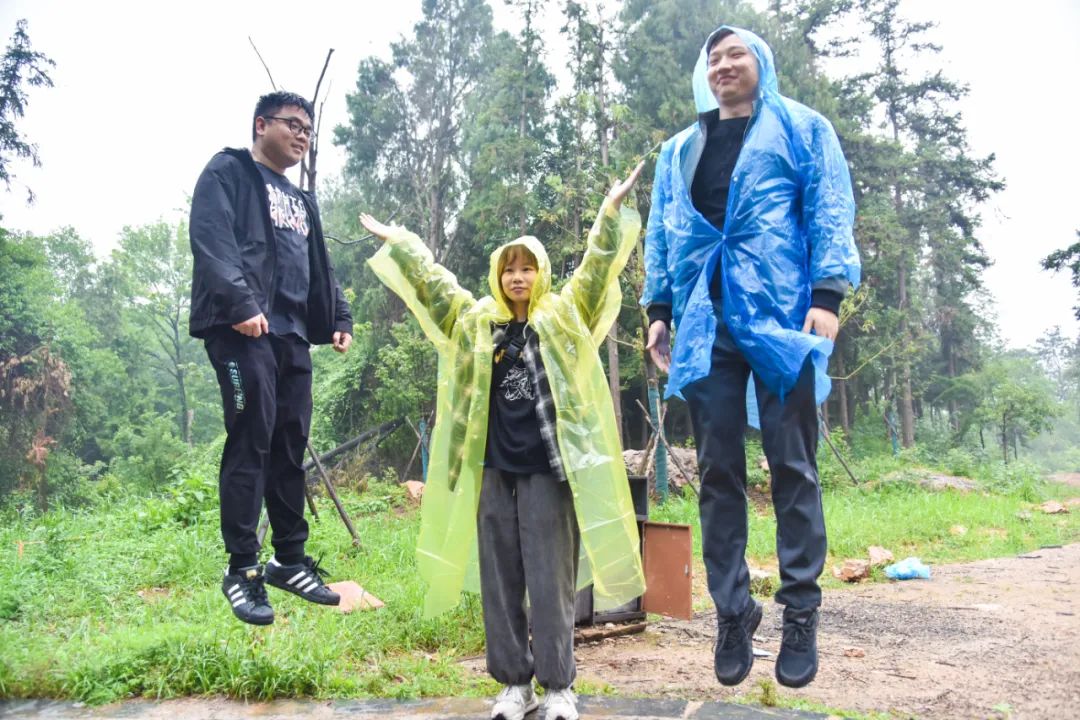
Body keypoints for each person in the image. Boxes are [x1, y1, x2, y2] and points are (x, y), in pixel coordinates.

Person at [360, 163, 647, 720]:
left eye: (527, 268)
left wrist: (610, 212)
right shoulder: (476, 324)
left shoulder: (563, 318)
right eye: (509, 269)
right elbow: (436, 288)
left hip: (547, 471)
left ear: (541, 274)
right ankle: (515, 685)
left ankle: (558, 686)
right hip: (494, 470)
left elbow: (595, 271)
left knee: (551, 580)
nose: (518, 277)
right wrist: (402, 243)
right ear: (497, 275)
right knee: (500, 581)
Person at [641, 26, 861, 689]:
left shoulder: (801, 128)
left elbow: (828, 207)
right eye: (713, 58)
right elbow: (664, 230)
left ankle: (801, 610)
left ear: (761, 62)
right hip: (706, 324)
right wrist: (659, 310)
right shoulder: (680, 149)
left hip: (782, 317)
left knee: (793, 464)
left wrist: (827, 294)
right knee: (717, 472)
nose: (723, 65)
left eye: (736, 54)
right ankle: (733, 611)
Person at [189, 91, 354, 626]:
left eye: (308, 129)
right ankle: (241, 568)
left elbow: (321, 266)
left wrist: (339, 316)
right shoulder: (230, 172)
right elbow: (210, 237)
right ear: (261, 125)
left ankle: (288, 559)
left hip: (291, 335)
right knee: (251, 438)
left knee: (289, 443)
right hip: (243, 329)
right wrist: (239, 302)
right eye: (292, 124)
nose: (302, 135)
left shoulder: (302, 200)